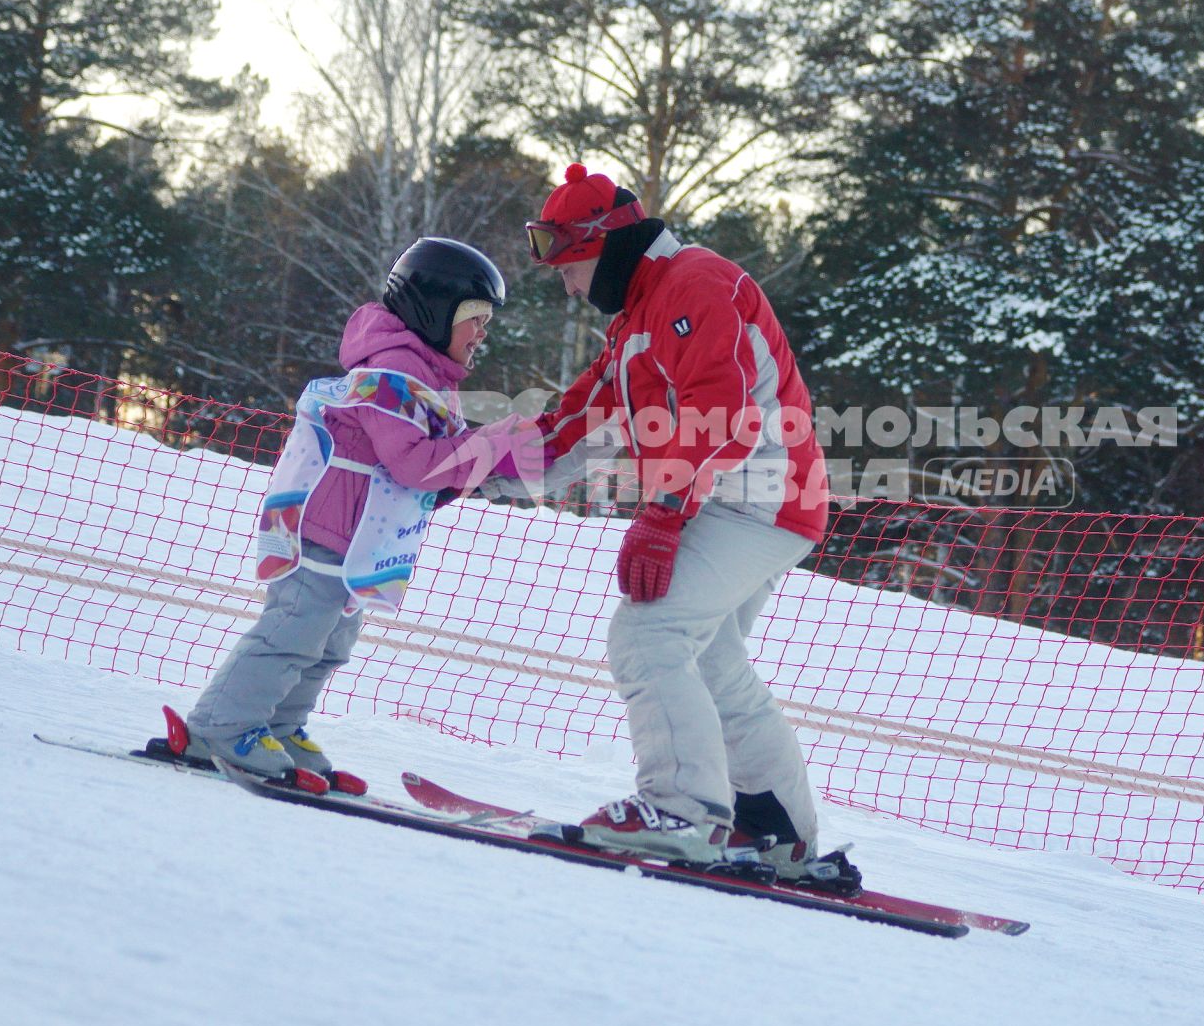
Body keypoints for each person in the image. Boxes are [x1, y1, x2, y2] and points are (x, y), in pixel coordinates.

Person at [482, 163, 841, 883]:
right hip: (750, 502)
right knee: (710, 661)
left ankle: (682, 810)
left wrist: (663, 511)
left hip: (757, 497)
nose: (570, 287)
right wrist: (466, 466)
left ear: (605, 243)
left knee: (647, 633)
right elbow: (575, 425)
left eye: (572, 267)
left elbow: (723, 408)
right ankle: (780, 833)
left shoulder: (693, 286)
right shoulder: (638, 323)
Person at [185, 237, 513, 782]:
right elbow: (414, 464)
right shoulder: (393, 374)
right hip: (323, 529)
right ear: (433, 311)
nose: (482, 334)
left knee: (328, 645)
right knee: (292, 633)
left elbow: (433, 473)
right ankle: (222, 723)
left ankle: (278, 726)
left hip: (363, 539)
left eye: (486, 322)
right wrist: (488, 448)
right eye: (474, 318)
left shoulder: (428, 381)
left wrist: (485, 463)